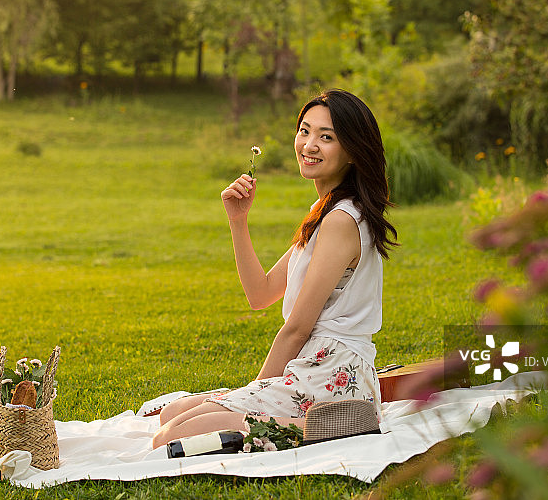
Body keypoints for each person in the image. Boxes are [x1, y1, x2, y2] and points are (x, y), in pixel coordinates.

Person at [152, 89, 397, 449]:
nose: (309, 145)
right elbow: (261, 293)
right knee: (169, 414)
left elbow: (296, 329)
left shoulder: (342, 220)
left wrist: (253, 391)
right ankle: (311, 422)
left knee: (170, 436)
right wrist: (238, 220)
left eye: (326, 137)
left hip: (333, 373)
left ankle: (324, 424)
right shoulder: (325, 211)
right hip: (314, 366)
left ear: (352, 151)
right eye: (305, 131)